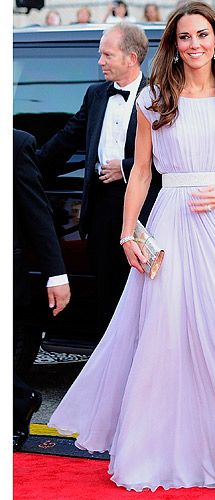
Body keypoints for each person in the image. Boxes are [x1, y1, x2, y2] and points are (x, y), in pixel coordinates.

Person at [47, 2, 215, 498]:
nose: (194, 45)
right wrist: (129, 232)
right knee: (165, 337)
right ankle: (162, 449)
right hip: (169, 219)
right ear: (174, 44)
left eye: (202, 35)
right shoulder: (155, 97)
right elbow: (142, 172)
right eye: (185, 37)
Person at [36, 23, 160, 338]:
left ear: (132, 58)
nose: (100, 61)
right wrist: (25, 165)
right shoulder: (95, 94)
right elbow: (66, 139)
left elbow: (174, 155)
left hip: (147, 209)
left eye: (107, 54)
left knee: (147, 295)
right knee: (107, 294)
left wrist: (127, 166)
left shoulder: (158, 97)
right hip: (102, 207)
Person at [13, 129, 71, 450]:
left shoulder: (17, 144)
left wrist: (56, 274)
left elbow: (38, 214)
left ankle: (18, 402)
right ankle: (20, 399)